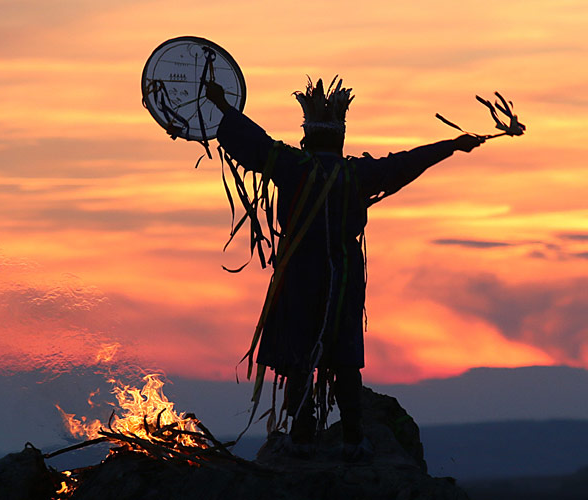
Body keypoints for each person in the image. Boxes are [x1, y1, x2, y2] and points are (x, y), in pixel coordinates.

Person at [201, 77, 483, 461]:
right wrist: (451, 145)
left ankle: (300, 439)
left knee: (299, 356)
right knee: (345, 357)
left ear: (307, 138)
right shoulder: (355, 175)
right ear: (340, 140)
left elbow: (255, 142)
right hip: (344, 277)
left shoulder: (292, 166)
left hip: (300, 275)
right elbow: (406, 162)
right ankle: (353, 440)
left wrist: (223, 107)